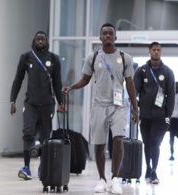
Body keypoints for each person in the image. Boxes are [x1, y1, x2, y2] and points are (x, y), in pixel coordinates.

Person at [62, 23, 138, 194]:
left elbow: (130, 83)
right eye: (105, 33)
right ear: (100, 37)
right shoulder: (93, 57)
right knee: (99, 145)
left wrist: (135, 108)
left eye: (111, 33)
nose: (108, 36)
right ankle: (102, 179)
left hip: (118, 106)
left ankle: (115, 178)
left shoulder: (125, 58)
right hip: (99, 106)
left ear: (116, 37)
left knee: (118, 139)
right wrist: (71, 87)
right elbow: (85, 80)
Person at [10, 31, 64, 180]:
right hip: (30, 104)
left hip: (47, 105)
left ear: (46, 41)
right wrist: (12, 101)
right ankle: (27, 167)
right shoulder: (26, 58)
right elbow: (18, 80)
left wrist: (61, 103)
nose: (40, 41)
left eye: (43, 39)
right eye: (38, 39)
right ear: (33, 41)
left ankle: (43, 167)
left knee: (46, 138)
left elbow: (57, 82)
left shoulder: (53, 59)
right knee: (28, 133)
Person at [133, 42, 175, 184]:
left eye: (158, 50)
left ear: (161, 52)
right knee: (147, 143)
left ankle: (155, 171)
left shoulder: (168, 72)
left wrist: (168, 115)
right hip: (144, 116)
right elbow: (134, 91)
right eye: (153, 50)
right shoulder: (141, 70)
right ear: (149, 52)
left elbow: (171, 96)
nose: (156, 52)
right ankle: (148, 168)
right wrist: (135, 109)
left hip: (160, 116)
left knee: (155, 143)